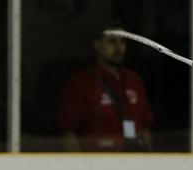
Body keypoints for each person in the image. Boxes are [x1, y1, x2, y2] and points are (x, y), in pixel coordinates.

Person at [58, 21, 154, 151]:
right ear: (97, 45)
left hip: (132, 160)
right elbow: (69, 134)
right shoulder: (81, 83)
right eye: (112, 41)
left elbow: (145, 127)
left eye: (122, 42)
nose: (118, 47)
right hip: (96, 161)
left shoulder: (134, 80)